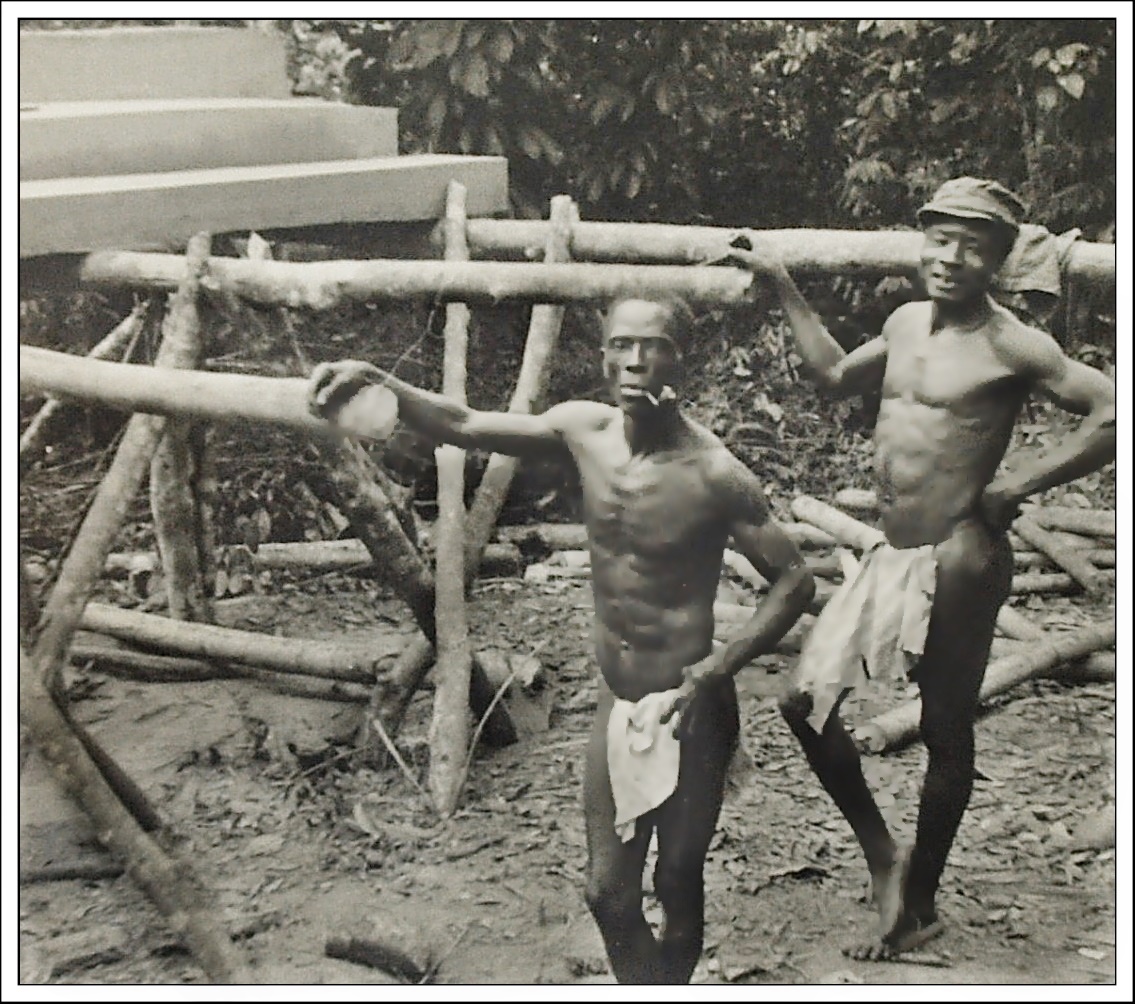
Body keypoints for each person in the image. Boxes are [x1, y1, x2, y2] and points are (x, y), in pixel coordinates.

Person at [308, 296, 815, 984]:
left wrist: (718, 668)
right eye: (620, 345)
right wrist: (379, 380)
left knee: (675, 883)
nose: (634, 361)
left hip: (694, 706)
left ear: (681, 359)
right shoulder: (584, 431)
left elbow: (792, 580)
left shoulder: (715, 473)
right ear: (603, 352)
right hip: (620, 695)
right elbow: (461, 422)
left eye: (654, 345)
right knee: (606, 892)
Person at [721, 177, 1116, 960]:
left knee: (942, 726)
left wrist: (1016, 484)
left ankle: (919, 899)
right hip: (890, 552)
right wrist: (781, 284)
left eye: (972, 245)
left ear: (997, 259)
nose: (950, 256)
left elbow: (1113, 409)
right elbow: (832, 377)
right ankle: (881, 854)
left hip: (962, 555)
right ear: (921, 242)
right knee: (806, 704)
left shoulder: (1011, 344)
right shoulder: (903, 322)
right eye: (940, 239)